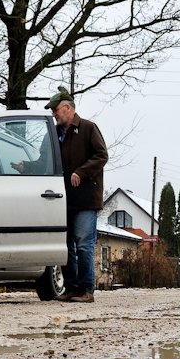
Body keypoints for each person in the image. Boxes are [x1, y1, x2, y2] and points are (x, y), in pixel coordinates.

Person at [46, 87, 109, 303]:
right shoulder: (54, 134)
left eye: (56, 110)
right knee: (66, 247)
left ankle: (86, 290)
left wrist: (81, 173)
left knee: (83, 244)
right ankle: (71, 288)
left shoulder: (88, 128)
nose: (54, 114)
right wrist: (27, 165)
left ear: (68, 108)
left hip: (85, 200)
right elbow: (45, 158)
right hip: (62, 199)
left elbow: (102, 155)